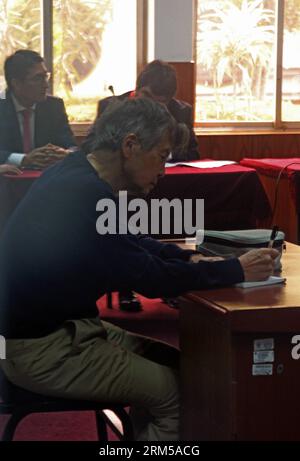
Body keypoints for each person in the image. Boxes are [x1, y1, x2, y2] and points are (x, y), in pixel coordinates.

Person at [0, 97, 278, 441]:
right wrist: (235, 270)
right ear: (130, 145)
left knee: (178, 365)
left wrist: (189, 259)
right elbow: (149, 279)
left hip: (65, 329)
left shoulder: (76, 172)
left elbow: (133, 242)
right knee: (177, 390)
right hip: (41, 350)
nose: (163, 170)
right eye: (161, 156)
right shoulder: (83, 194)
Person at [82, 60, 200, 311]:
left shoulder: (181, 111)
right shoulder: (114, 107)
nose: (155, 106)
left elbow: (192, 152)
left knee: (185, 207)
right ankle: (128, 287)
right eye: (149, 96)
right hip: (44, 335)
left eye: (163, 101)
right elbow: (92, 146)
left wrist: (160, 156)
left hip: (161, 185)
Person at [0, 49, 77, 168]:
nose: (46, 85)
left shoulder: (54, 106)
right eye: (38, 78)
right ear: (16, 84)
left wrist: (67, 153)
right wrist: (23, 159)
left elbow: (71, 145)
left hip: (48, 178)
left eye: (46, 76)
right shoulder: (2, 105)